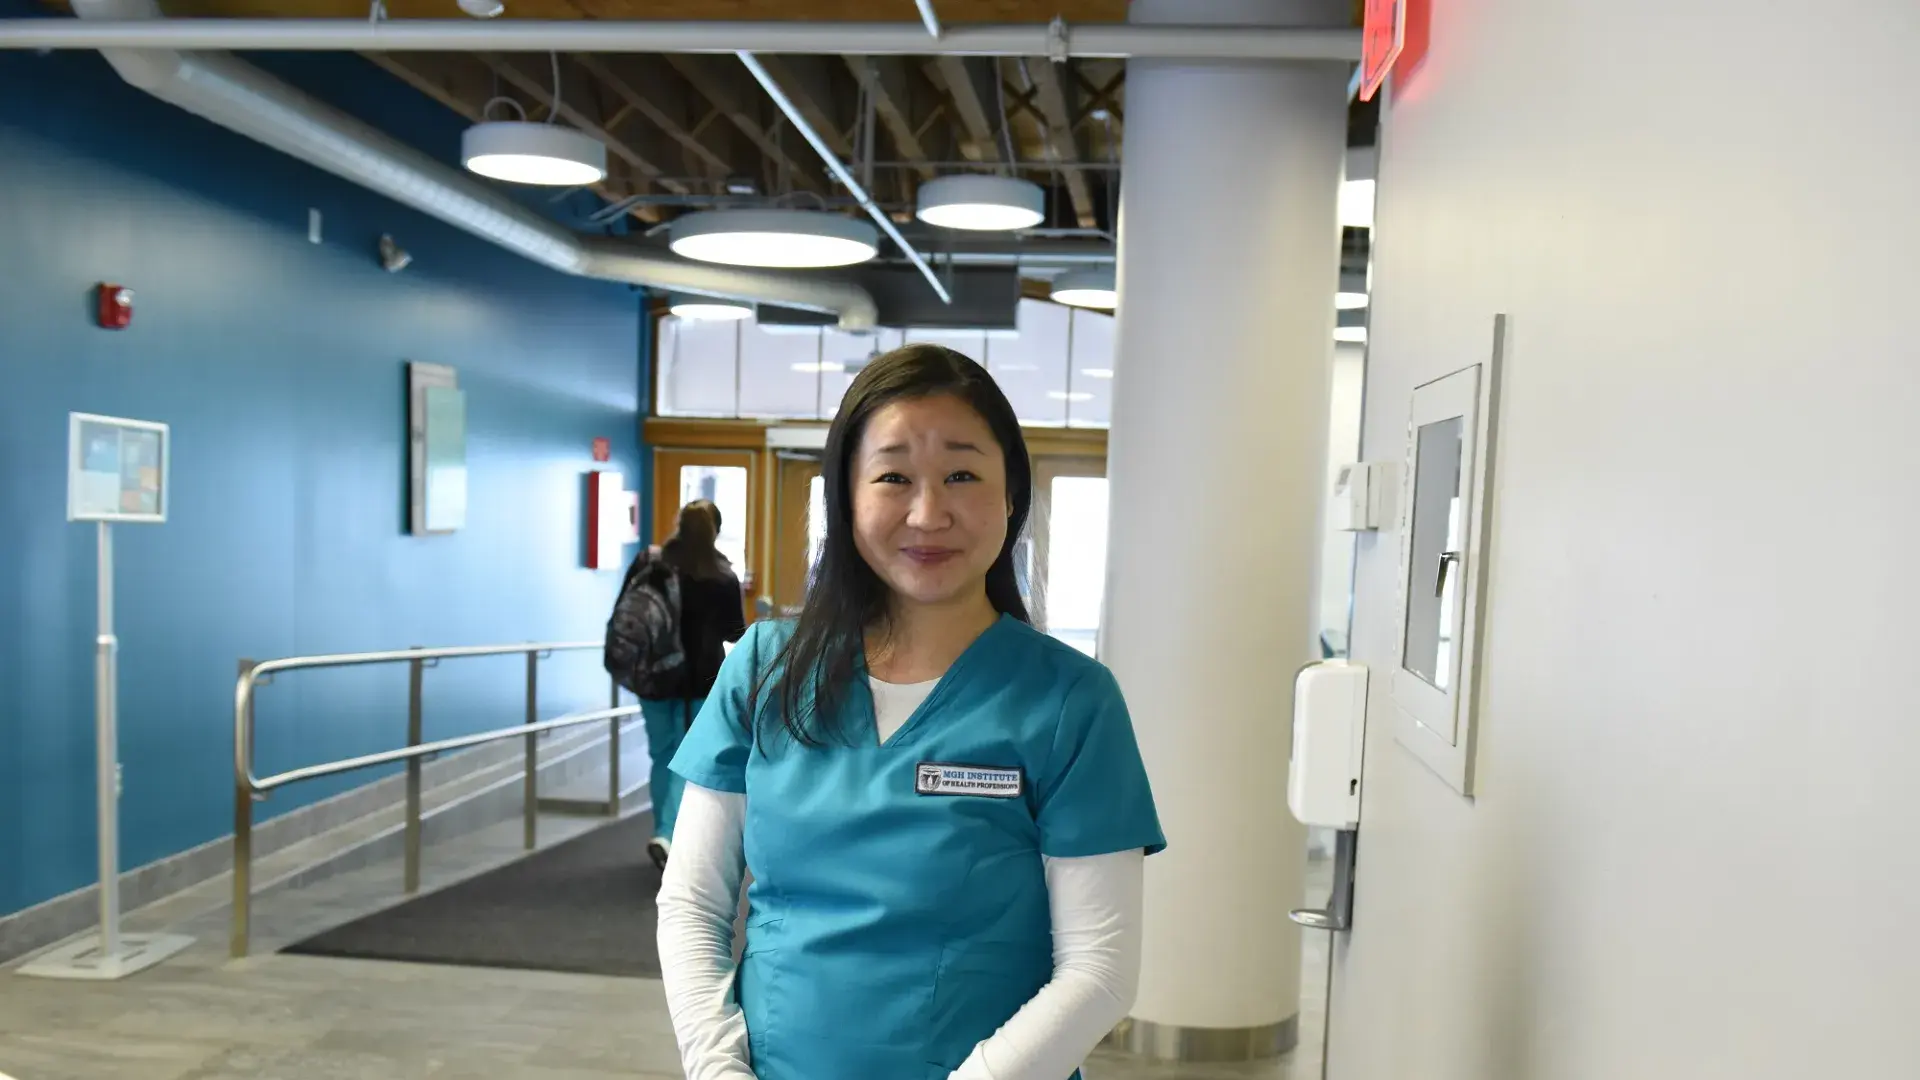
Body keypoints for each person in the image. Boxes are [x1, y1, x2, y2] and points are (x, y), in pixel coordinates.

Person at [656, 344, 1164, 1080]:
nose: (928, 513)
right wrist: (719, 1071)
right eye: (893, 477)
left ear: (1011, 495)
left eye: (962, 475)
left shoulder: (1068, 701)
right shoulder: (766, 671)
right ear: (846, 497)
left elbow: (1099, 969)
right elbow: (693, 904)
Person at [643, 498, 746, 870]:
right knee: (685, 757)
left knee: (662, 755)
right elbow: (734, 631)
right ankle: (666, 834)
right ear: (715, 531)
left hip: (655, 678)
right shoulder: (721, 576)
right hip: (700, 680)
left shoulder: (654, 567)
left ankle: (663, 830)